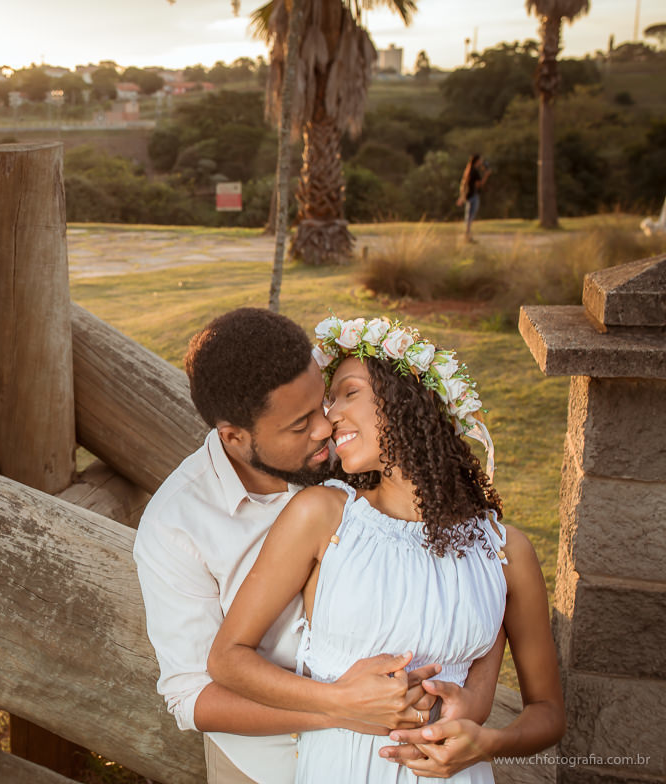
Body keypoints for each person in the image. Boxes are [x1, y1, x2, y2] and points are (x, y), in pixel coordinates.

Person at [133, 308, 506, 784]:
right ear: (234, 437)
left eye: (322, 402)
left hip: (401, 754)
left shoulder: (354, 456)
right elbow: (192, 695)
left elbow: (471, 567)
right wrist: (339, 710)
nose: (325, 428)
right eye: (299, 423)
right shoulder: (176, 525)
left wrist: (475, 694)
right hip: (261, 764)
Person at [206, 315, 565, 782]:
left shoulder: (503, 551)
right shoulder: (324, 516)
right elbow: (227, 659)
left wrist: (490, 743)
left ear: (409, 400)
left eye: (348, 393)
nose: (329, 416)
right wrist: (338, 701)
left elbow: (548, 712)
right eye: (327, 399)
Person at [456, 155, 491, 243]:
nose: (481, 162)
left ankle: (467, 236)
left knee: (468, 217)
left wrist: (462, 197)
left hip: (468, 196)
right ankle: (467, 237)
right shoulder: (475, 172)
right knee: (470, 218)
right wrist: (486, 175)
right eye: (480, 160)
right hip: (473, 196)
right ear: (477, 161)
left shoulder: (469, 171)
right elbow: (479, 185)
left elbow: (465, 184)